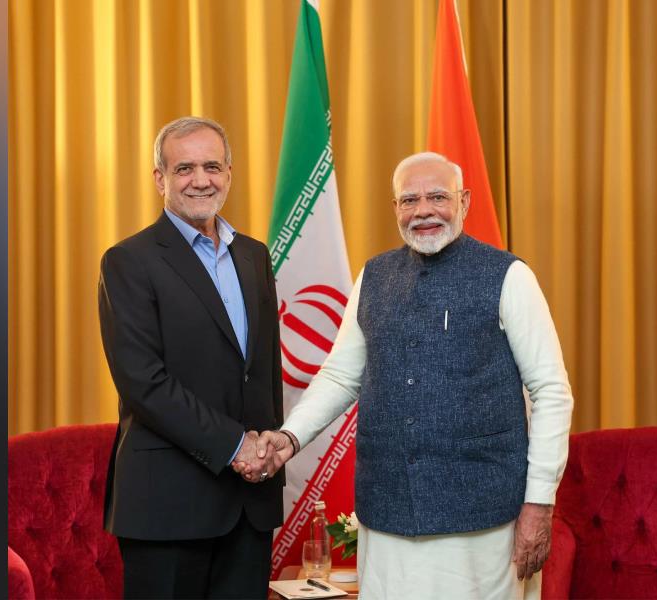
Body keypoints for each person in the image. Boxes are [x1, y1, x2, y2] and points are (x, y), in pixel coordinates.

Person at [246, 152, 575, 599]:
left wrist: (539, 503)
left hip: (482, 522)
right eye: (409, 200)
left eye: (438, 196)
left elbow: (552, 392)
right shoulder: (374, 276)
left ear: (465, 201)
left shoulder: (509, 276)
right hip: (387, 520)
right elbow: (341, 377)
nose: (423, 210)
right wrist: (288, 438)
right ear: (395, 208)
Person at [98, 116, 286, 599]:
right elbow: (144, 382)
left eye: (211, 166)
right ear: (160, 178)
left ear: (229, 173)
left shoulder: (254, 255)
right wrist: (234, 446)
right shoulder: (128, 261)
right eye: (184, 168)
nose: (200, 180)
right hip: (168, 505)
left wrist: (268, 447)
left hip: (250, 503)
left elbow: (262, 372)